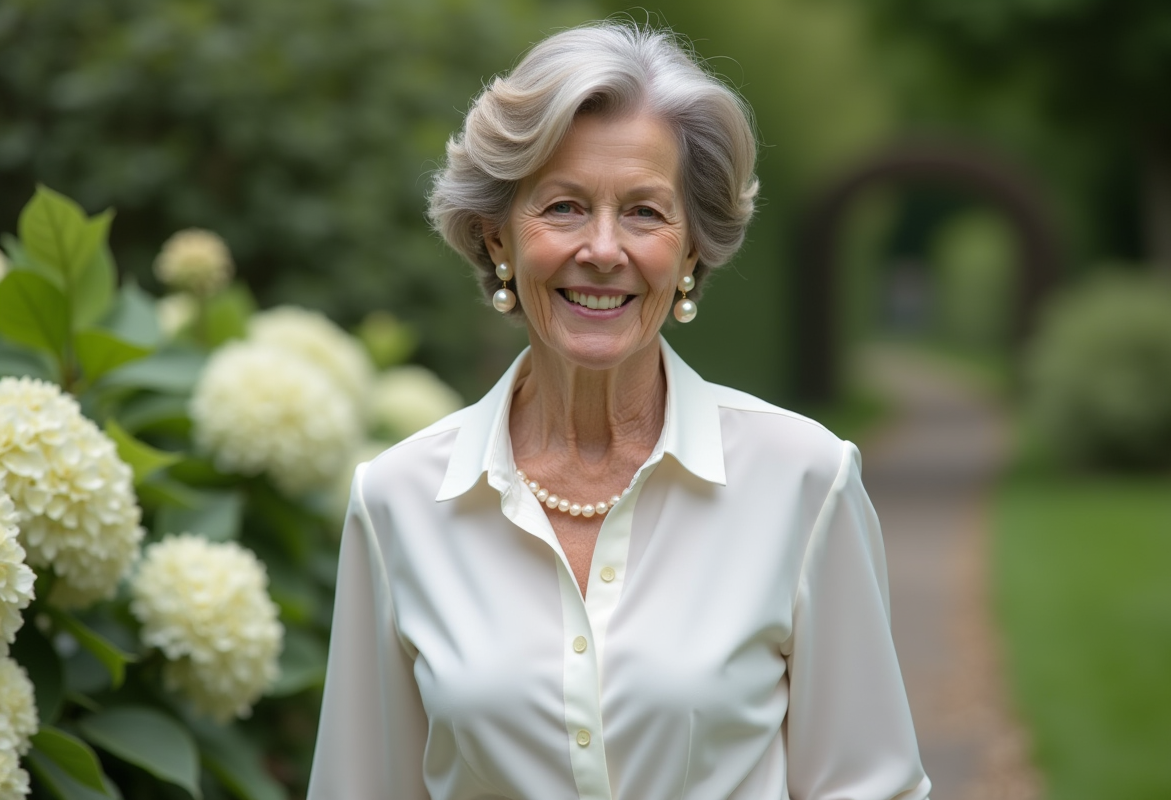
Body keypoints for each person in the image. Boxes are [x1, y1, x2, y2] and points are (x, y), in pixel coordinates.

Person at [307, 22, 930, 800]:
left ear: (693, 250)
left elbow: (868, 788)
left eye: (644, 213)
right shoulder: (397, 500)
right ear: (497, 236)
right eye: (564, 207)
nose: (604, 249)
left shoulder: (806, 479)